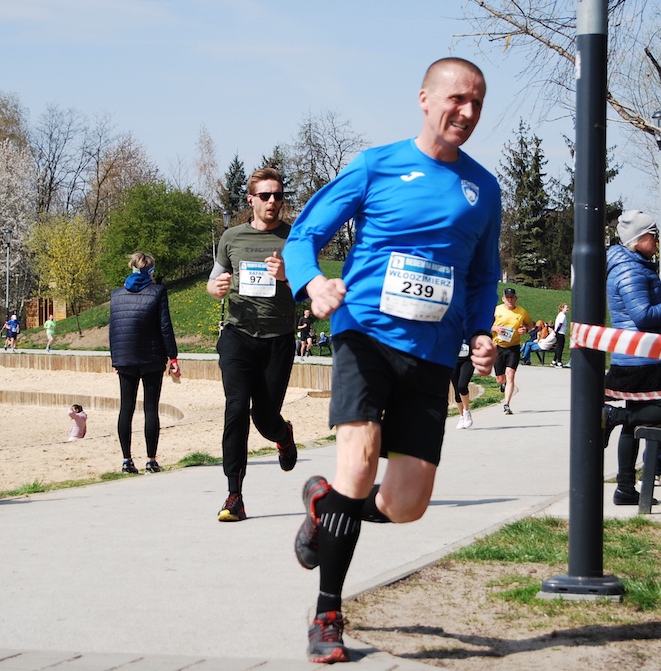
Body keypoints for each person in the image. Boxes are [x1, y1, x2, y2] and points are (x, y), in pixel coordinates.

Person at [282, 57, 501, 664]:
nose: (467, 112)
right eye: (457, 99)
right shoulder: (375, 165)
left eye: (478, 103)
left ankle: (325, 506)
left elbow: (484, 276)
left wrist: (481, 332)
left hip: (432, 353)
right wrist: (313, 284)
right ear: (425, 99)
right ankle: (328, 613)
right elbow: (303, 236)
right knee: (357, 466)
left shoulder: (484, 189)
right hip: (365, 335)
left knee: (406, 505)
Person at [207, 167, 298, 523]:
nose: (273, 201)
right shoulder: (231, 237)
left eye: (278, 195)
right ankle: (235, 495)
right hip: (238, 335)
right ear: (251, 200)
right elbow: (214, 281)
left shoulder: (294, 237)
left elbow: (310, 287)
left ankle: (283, 435)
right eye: (265, 195)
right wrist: (214, 289)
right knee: (235, 407)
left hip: (278, 339)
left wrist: (287, 277)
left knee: (264, 418)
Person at [602, 209, 661, 505]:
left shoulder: (632, 265)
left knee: (635, 424)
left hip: (638, 358)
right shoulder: (630, 270)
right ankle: (615, 416)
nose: (657, 241)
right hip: (643, 362)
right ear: (638, 239)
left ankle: (625, 488)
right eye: (653, 235)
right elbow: (642, 315)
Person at [108, 251, 181, 475]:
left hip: (125, 357)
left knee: (126, 408)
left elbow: (113, 328)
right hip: (152, 357)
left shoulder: (116, 294)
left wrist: (115, 358)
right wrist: (173, 357)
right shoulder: (157, 291)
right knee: (151, 408)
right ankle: (151, 460)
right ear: (151, 271)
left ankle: (126, 461)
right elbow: (165, 326)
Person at [491, 287, 533, 414]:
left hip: (513, 347)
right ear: (503, 299)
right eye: (507, 297)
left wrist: (525, 330)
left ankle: (507, 404)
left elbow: (530, 325)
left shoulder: (522, 312)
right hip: (498, 346)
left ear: (516, 298)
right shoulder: (496, 310)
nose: (510, 300)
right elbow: (485, 323)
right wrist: (495, 328)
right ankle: (502, 383)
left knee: (510, 374)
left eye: (512, 297)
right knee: (500, 378)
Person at [452, 341, 474, 429]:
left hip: (468, 360)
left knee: (462, 386)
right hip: (453, 360)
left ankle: (466, 411)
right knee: (456, 389)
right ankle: (461, 416)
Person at [552, 303, 569, 367]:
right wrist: (556, 331)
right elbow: (560, 324)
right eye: (566, 308)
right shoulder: (562, 315)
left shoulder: (560, 314)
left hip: (559, 332)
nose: (567, 309)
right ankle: (559, 362)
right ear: (562, 308)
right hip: (560, 333)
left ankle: (554, 361)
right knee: (560, 348)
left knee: (558, 347)